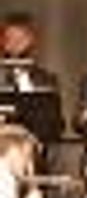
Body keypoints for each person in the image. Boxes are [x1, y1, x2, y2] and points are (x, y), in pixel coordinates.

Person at [0, 12, 63, 150]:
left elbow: (56, 126)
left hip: (33, 147)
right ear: (2, 41)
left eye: (21, 39)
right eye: (10, 38)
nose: (15, 44)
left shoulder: (46, 80)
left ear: (31, 40)